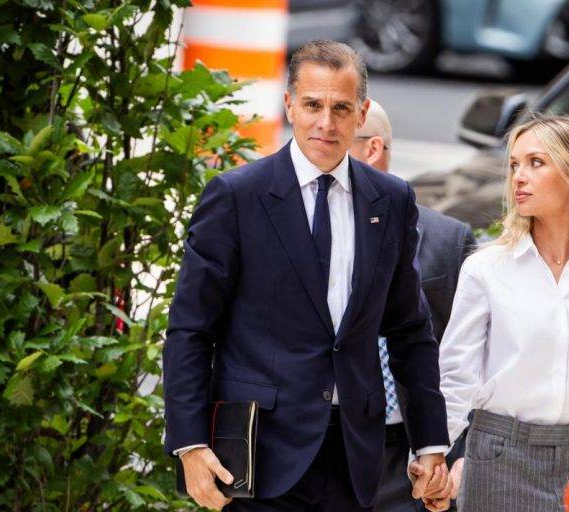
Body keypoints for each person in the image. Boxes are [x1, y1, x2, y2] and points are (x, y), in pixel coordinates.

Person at [163, 40, 451, 512]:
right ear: (289, 105)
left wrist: (431, 444)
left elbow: (409, 331)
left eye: (341, 109)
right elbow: (191, 330)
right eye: (313, 105)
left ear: (361, 116)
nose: (326, 123)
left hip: (354, 455)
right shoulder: (236, 196)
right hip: (257, 454)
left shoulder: (392, 200)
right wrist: (190, 444)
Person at [436, 115, 569, 512]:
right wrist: (433, 457)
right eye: (515, 164)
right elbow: (456, 379)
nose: (518, 176)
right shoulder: (486, 268)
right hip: (500, 461)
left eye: (536, 163)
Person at [348, 100, 476, 512]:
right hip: (326, 442)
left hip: (412, 452)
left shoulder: (446, 240)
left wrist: (460, 455)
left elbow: (474, 356)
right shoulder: (305, 232)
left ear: (372, 149)